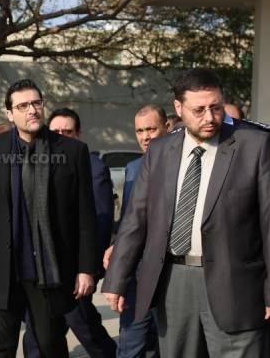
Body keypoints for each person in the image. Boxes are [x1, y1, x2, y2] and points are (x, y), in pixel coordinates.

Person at [102, 68, 270, 357]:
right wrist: (116, 279)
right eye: (198, 110)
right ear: (178, 108)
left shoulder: (255, 145)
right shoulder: (160, 150)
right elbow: (136, 218)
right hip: (173, 282)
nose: (209, 117)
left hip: (236, 285)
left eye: (216, 107)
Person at [0, 79, 98, 358]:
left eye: (36, 103)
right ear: (10, 114)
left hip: (48, 270)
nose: (32, 110)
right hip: (0, 268)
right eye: (22, 106)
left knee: (49, 346)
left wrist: (86, 268)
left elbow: (85, 216)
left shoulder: (72, 151)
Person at [23, 107, 117, 358]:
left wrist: (89, 269)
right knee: (39, 332)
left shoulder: (93, 166)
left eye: (68, 131)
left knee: (84, 327)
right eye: (56, 131)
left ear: (79, 134)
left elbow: (100, 220)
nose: (61, 136)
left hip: (75, 270)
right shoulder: (38, 161)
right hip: (44, 269)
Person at [103, 104, 169, 358]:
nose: (145, 137)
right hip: (138, 275)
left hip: (172, 274)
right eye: (140, 131)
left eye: (151, 129)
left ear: (167, 127)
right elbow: (130, 221)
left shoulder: (183, 166)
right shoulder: (132, 168)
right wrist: (117, 246)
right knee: (130, 346)